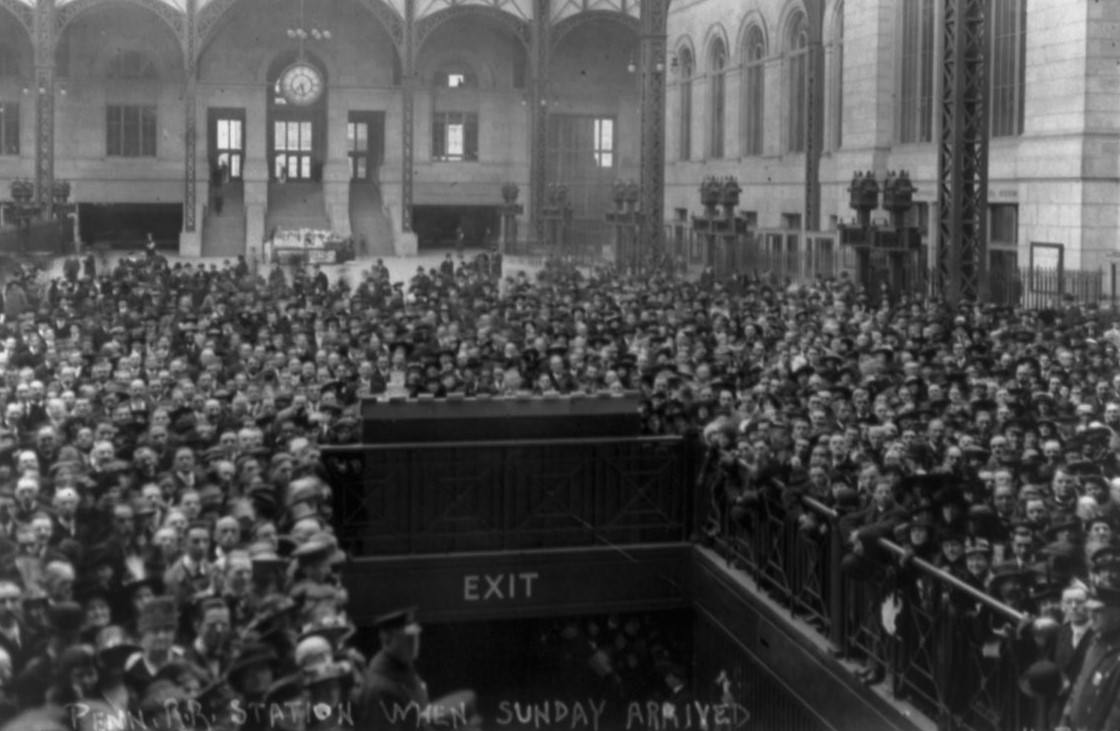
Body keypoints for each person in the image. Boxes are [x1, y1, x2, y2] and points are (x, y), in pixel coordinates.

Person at [1059, 585, 1120, 731]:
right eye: (1090, 610)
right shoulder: (1095, 643)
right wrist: (1064, 722)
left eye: (1098, 611)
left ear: (1117, 614)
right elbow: (1079, 686)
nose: (1091, 616)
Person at [359, 607, 429, 731]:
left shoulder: (403, 668)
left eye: (416, 635)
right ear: (387, 638)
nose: (414, 642)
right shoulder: (380, 688)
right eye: (408, 636)